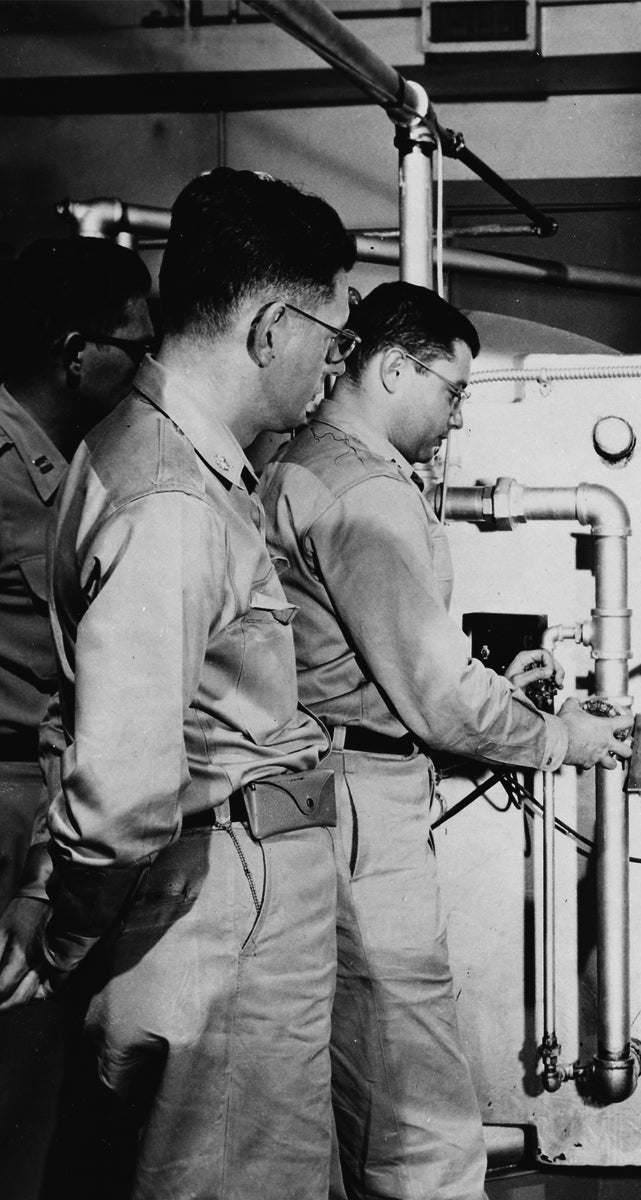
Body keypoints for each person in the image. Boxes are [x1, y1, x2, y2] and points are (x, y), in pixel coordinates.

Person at [0, 167, 356, 1199]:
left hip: (204, 897)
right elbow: (118, 794)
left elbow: (87, 712)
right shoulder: (174, 501)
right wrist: (65, 928)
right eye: (330, 341)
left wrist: (46, 894)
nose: (332, 371)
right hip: (217, 912)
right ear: (270, 329)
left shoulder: (148, 460)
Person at [258, 280, 633, 1200]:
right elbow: (433, 695)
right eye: (452, 391)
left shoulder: (299, 463)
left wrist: (488, 703)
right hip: (359, 800)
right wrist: (559, 737)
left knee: (355, 1063)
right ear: (393, 368)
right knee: (410, 1071)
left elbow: (373, 662)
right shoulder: (364, 491)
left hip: (320, 784)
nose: (456, 416)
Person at [0, 236, 153, 1199]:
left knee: (40, 1093)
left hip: (42, 798)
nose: (147, 368)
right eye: (133, 347)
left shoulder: (75, 468)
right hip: (9, 797)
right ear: (74, 352)